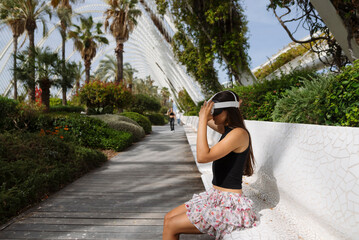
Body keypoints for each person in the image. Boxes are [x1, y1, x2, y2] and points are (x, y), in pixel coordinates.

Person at [162, 90, 257, 240]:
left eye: (216, 112)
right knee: (168, 218)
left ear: (228, 112)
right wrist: (206, 114)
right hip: (216, 197)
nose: (213, 116)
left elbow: (202, 156)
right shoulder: (228, 129)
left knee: (172, 225)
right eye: (212, 112)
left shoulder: (238, 134)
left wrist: (202, 120)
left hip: (230, 204)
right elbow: (211, 121)